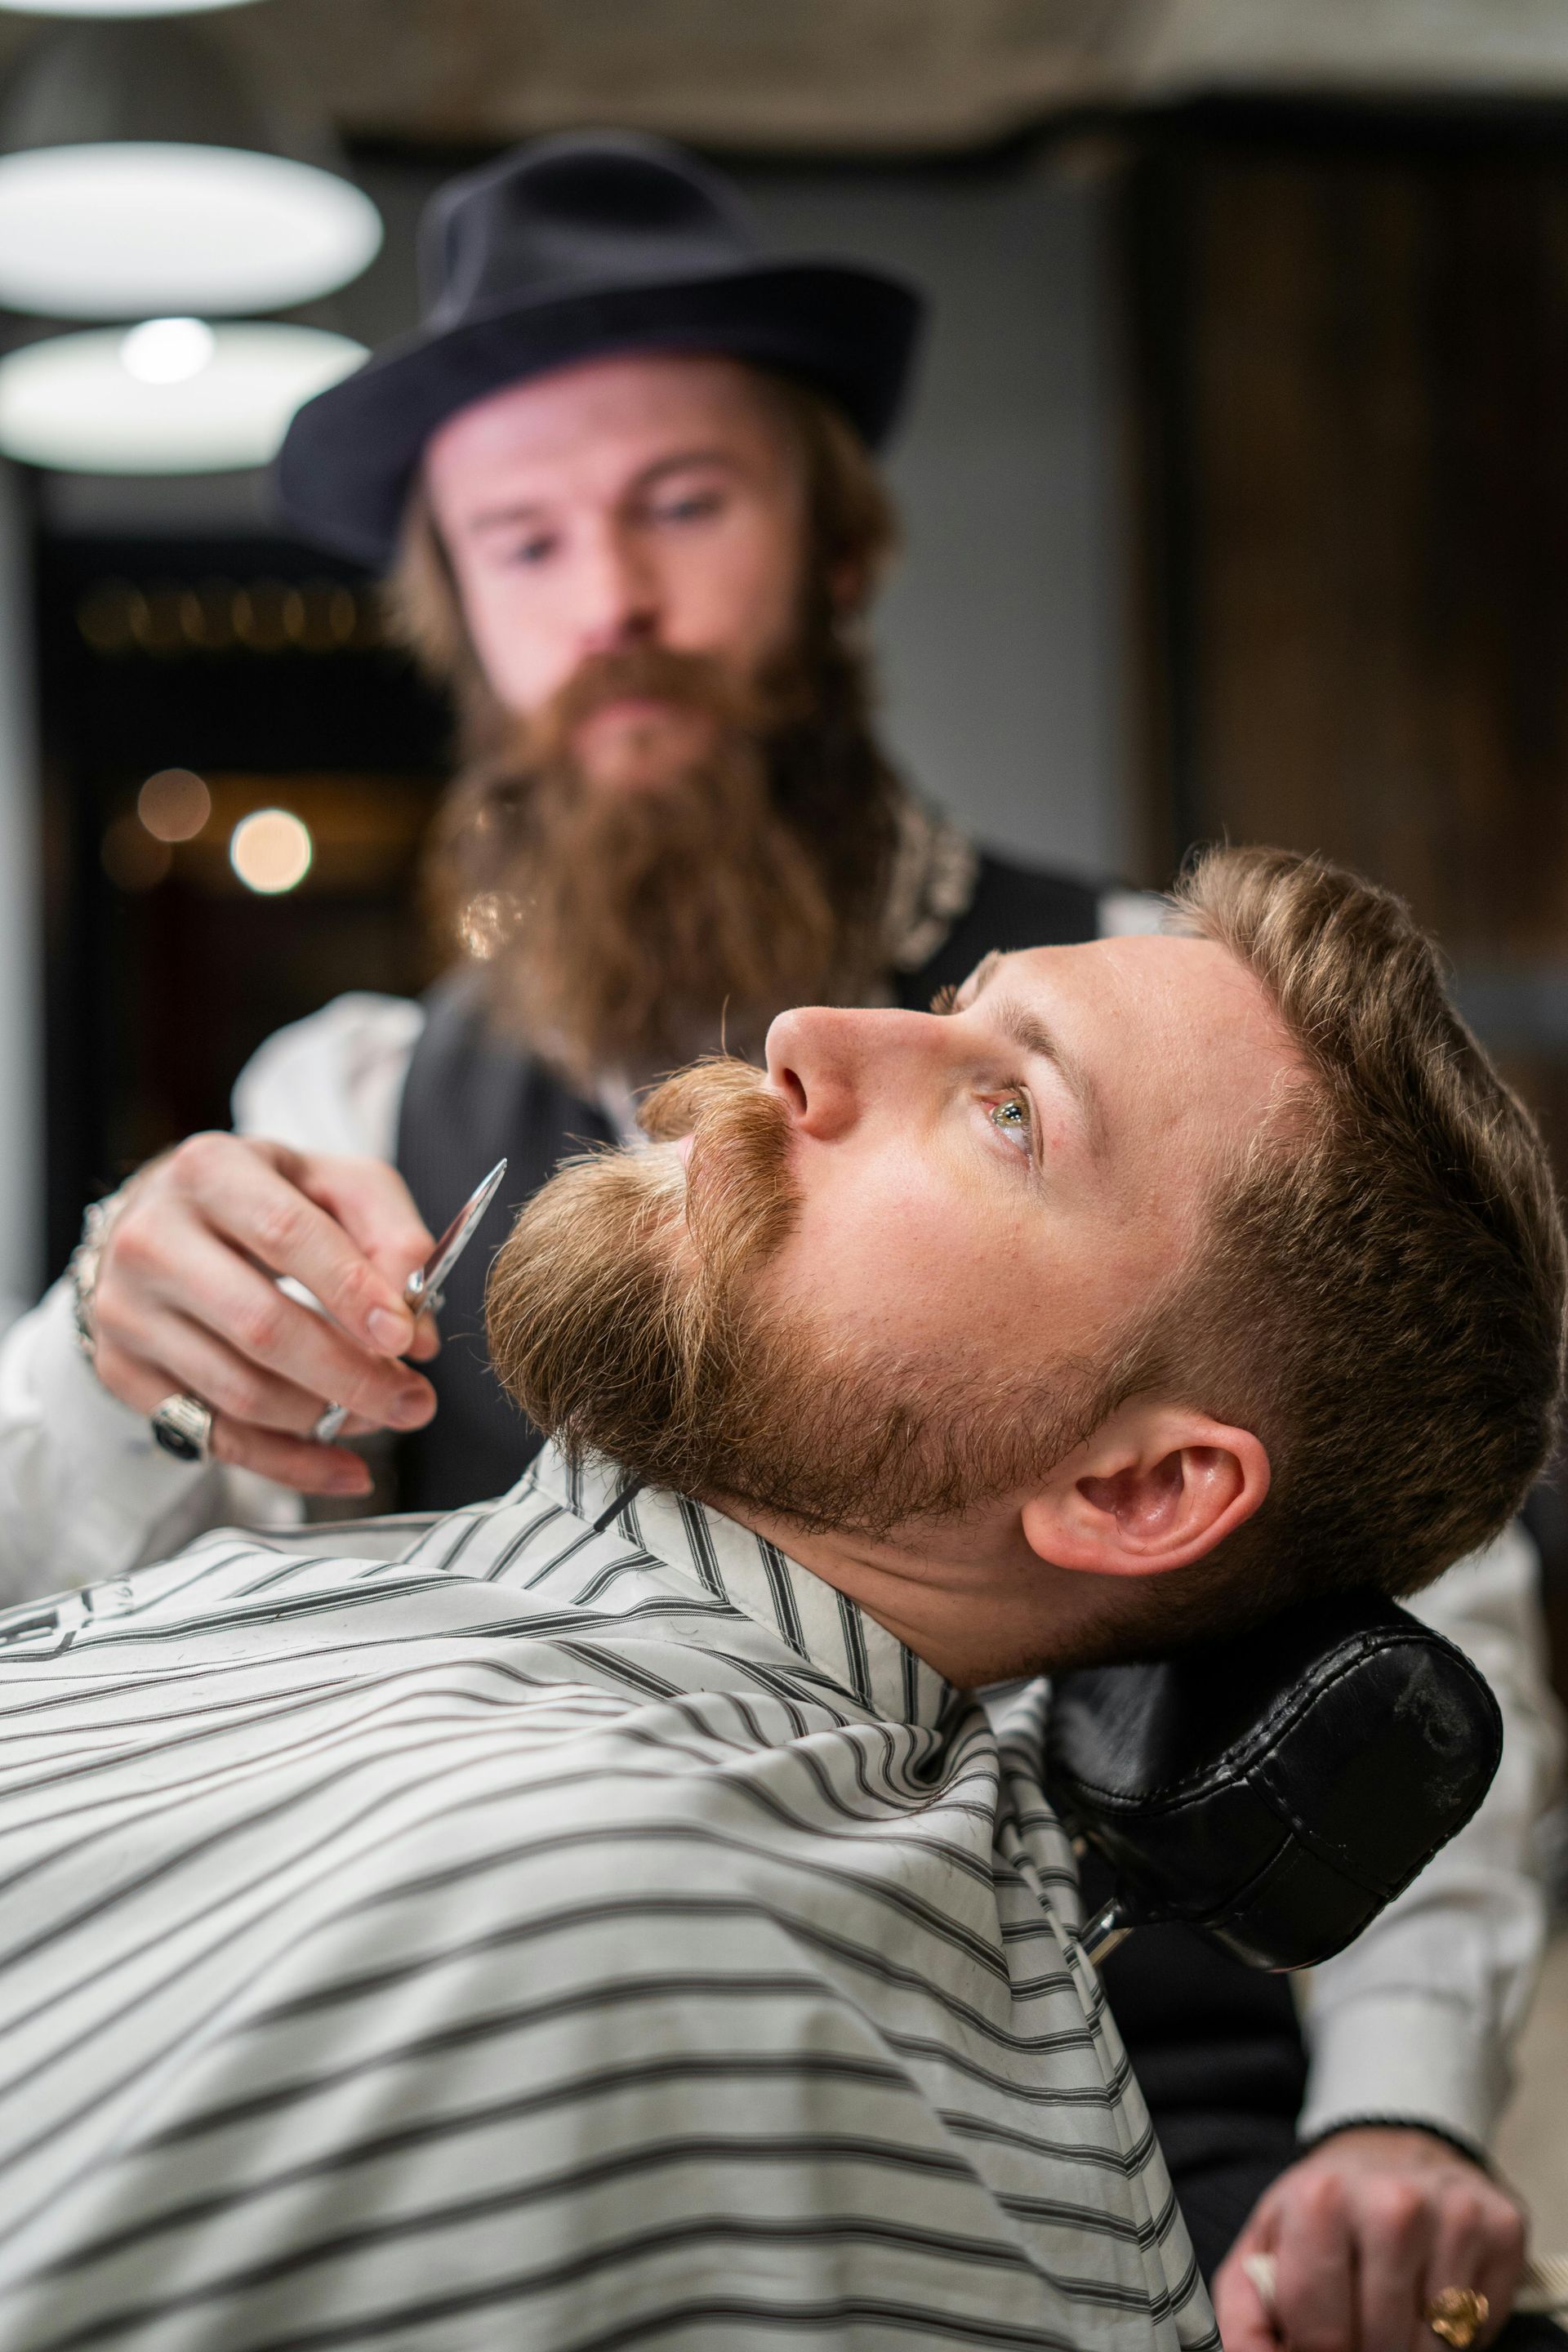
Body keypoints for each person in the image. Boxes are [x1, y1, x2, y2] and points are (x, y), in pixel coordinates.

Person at [0, 135, 1557, 2348]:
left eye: (684, 507)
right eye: (523, 542)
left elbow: (1418, 1616)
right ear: (457, 609)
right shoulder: (355, 1100)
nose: (608, 599)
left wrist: (1401, 2112)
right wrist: (110, 1354)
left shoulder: (1165, 1000)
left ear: (836, 544)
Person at [0, 848, 1561, 2352]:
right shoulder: (415, 1643)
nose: (806, 1034)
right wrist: (99, 1355)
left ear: (1137, 1493)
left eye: (1012, 1111)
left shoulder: (586, 1929)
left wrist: (1403, 2104)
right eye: (951, 999)